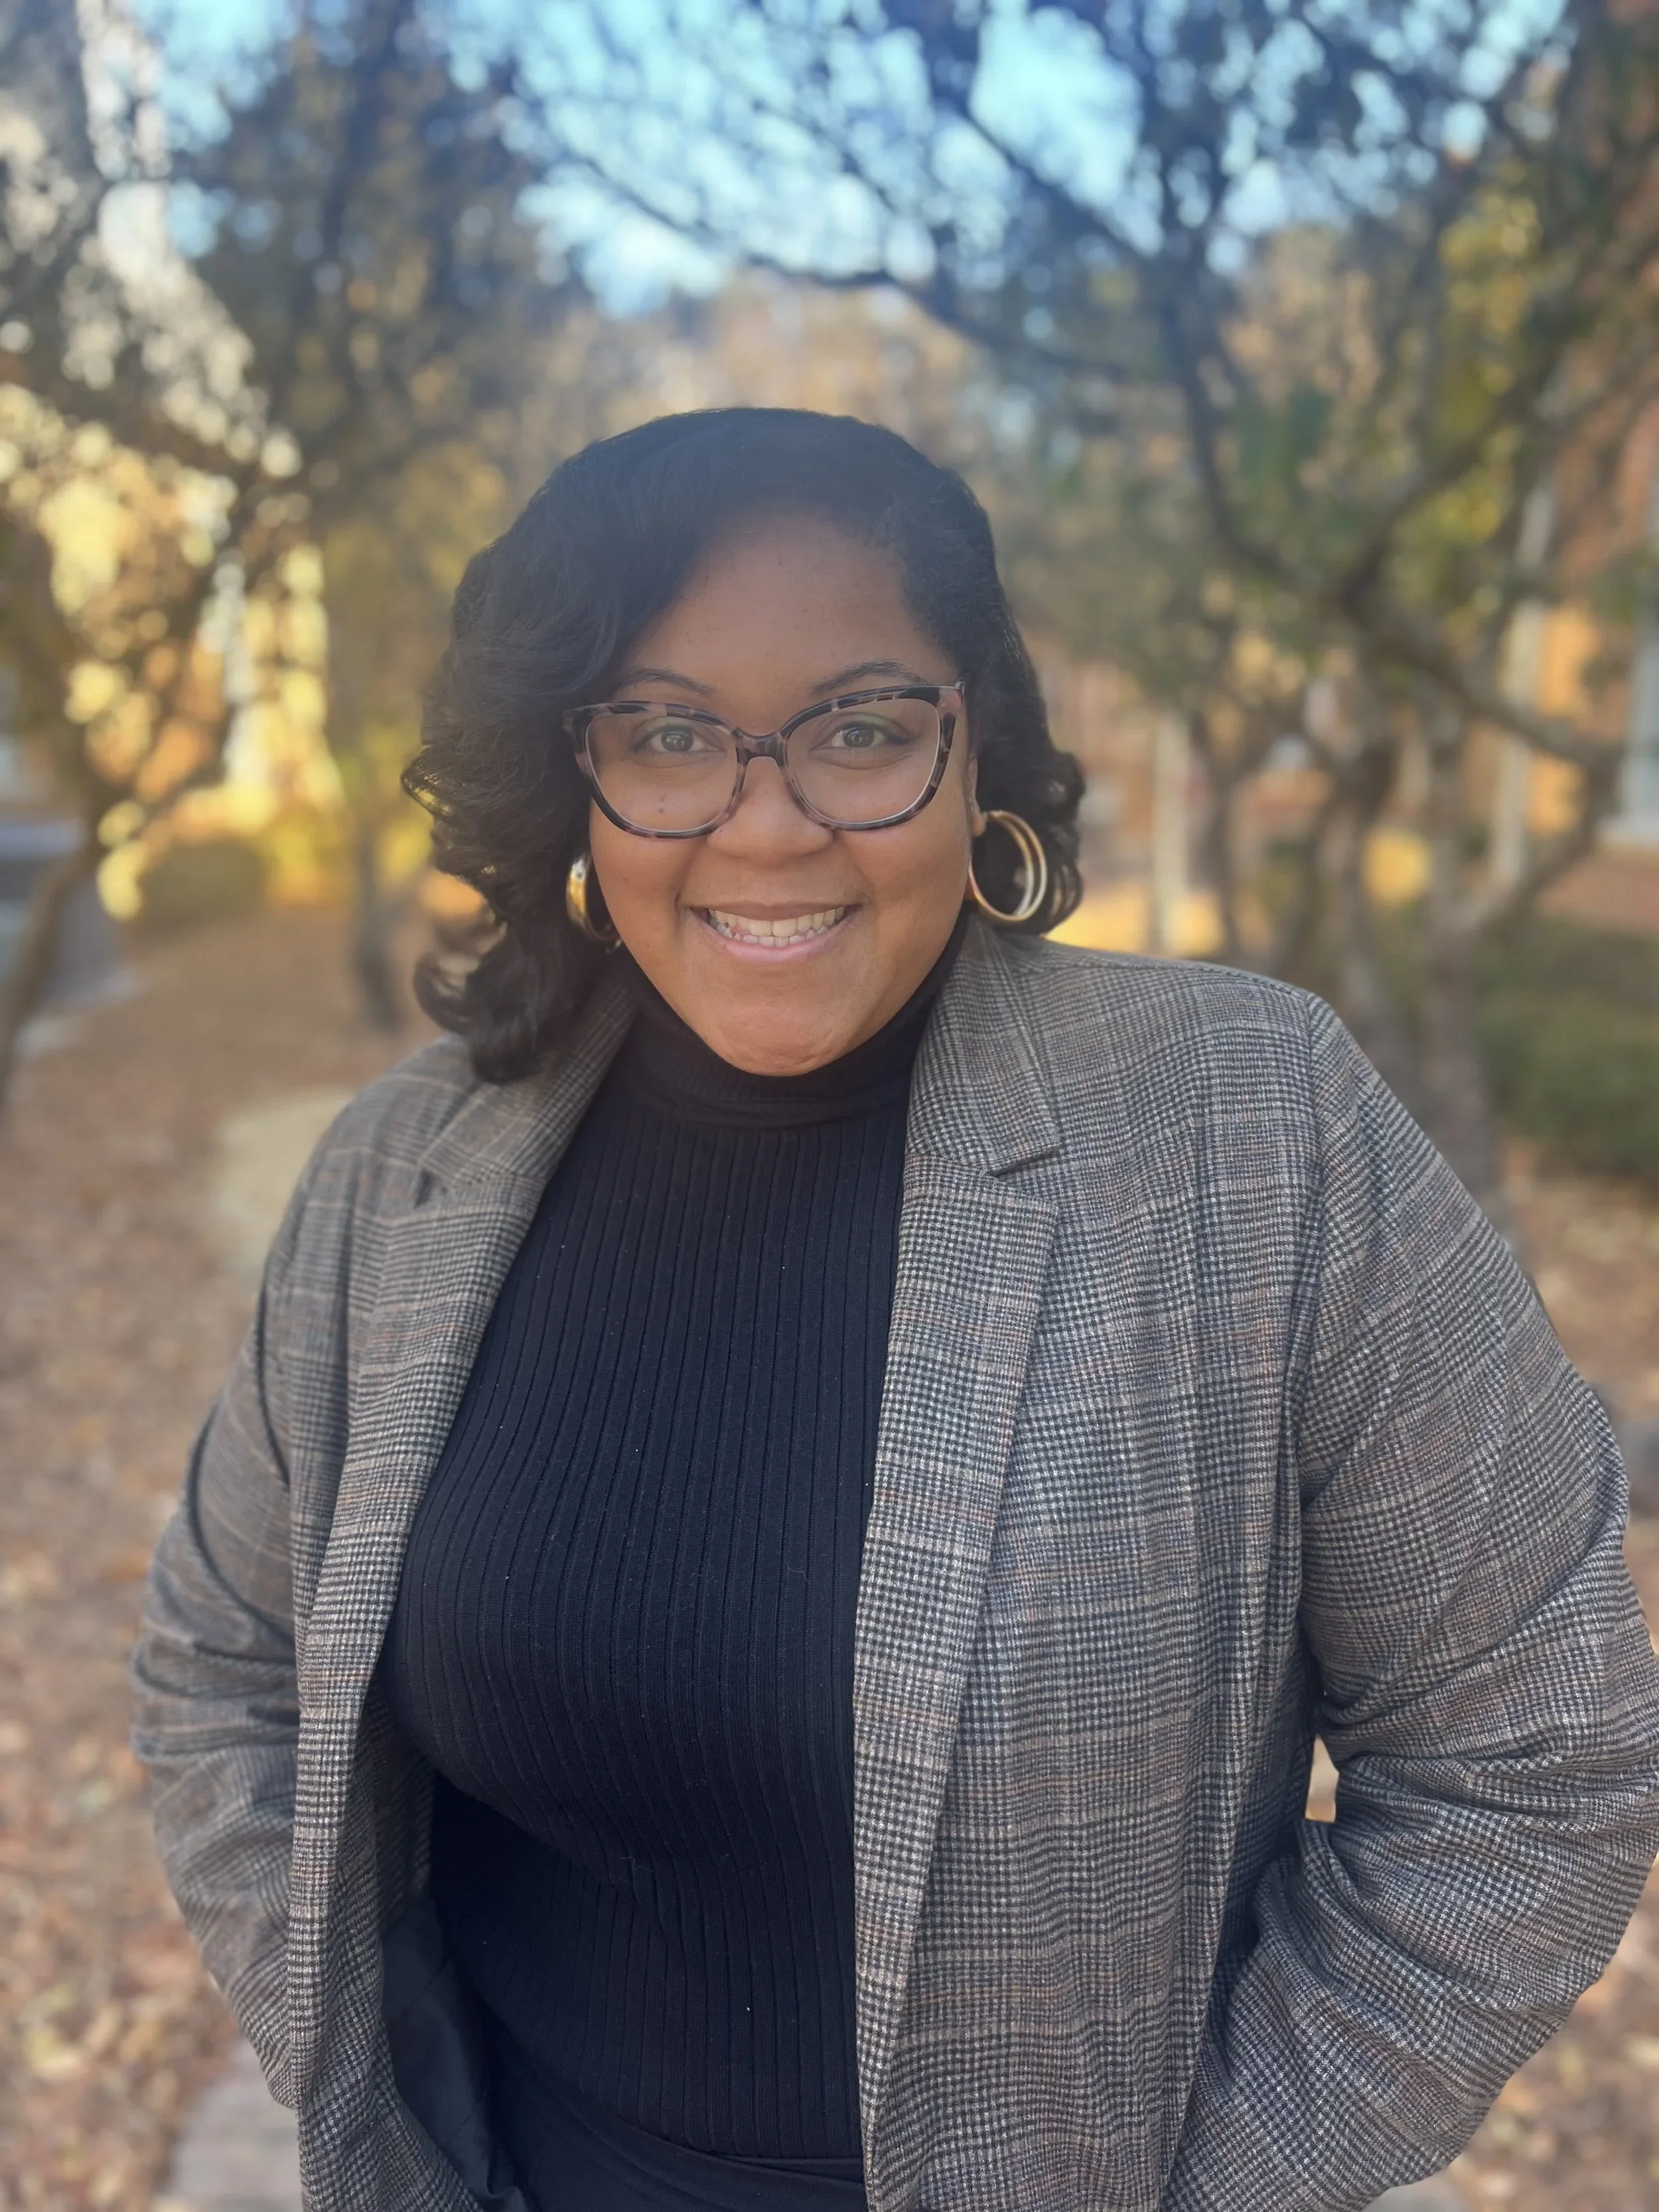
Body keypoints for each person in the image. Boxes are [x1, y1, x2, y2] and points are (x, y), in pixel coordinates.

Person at [132, 408, 1659, 2212]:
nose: (764, 825)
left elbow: (1529, 1753)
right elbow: (221, 1665)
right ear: (575, 767)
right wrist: (372, 2104)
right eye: (669, 731)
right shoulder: (407, 1166)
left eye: (860, 727)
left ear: (976, 750)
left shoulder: (1252, 1131)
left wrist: (1232, 2183)